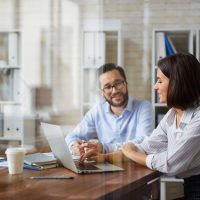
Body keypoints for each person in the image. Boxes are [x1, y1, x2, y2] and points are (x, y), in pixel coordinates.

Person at [81, 53, 200, 199]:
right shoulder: (171, 115)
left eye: (159, 81)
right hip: (190, 187)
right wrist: (104, 157)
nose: (155, 86)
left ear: (177, 82)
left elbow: (170, 164)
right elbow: (146, 146)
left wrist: (132, 153)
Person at [65, 63, 153, 157]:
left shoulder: (144, 107)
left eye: (118, 83)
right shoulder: (97, 110)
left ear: (126, 84)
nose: (114, 91)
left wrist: (104, 148)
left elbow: (143, 142)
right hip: (104, 167)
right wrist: (74, 146)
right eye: (107, 87)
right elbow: (71, 136)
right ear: (102, 92)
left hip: (135, 166)